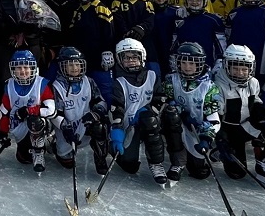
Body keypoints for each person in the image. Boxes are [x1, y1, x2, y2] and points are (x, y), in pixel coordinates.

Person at [109, 38, 170, 185]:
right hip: (129, 125)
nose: (131, 61)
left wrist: (145, 111)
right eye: (126, 58)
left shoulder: (152, 76)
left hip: (149, 122)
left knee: (149, 121)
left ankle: (156, 163)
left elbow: (160, 98)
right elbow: (116, 107)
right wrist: (117, 131)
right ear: (119, 60)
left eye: (134, 57)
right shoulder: (119, 82)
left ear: (141, 57)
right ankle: (113, 148)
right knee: (130, 166)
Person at [211, 44, 265, 183]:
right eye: (235, 68)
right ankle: (221, 151)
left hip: (246, 125)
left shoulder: (253, 82)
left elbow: (255, 101)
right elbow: (216, 115)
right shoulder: (218, 86)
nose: (240, 73)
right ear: (227, 66)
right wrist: (221, 137)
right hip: (229, 130)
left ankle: (264, 162)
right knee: (237, 172)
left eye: (244, 69)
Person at [0, 50, 57, 174]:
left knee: (34, 121)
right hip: (19, 127)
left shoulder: (41, 84)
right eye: (19, 67)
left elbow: (51, 110)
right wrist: (3, 133)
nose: (23, 71)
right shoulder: (9, 85)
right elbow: (4, 111)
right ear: (13, 69)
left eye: (26, 67)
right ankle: (31, 147)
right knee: (24, 159)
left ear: (32, 67)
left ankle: (40, 151)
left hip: (39, 123)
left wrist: (29, 111)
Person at [166, 42, 222, 183]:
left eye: (192, 63)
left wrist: (206, 138)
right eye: (183, 62)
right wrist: (179, 112)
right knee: (170, 117)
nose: (187, 67)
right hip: (178, 125)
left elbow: (213, 118)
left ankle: (193, 158)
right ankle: (177, 163)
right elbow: (166, 101)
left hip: (196, 129)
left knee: (199, 172)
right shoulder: (172, 80)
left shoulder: (209, 87)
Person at [47, 47, 109, 173]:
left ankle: (100, 159)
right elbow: (54, 114)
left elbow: (101, 102)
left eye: (77, 64)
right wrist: (65, 127)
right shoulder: (56, 87)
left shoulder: (89, 81)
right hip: (67, 132)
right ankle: (53, 144)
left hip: (85, 126)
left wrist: (94, 114)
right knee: (68, 163)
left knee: (100, 128)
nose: (74, 68)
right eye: (70, 64)